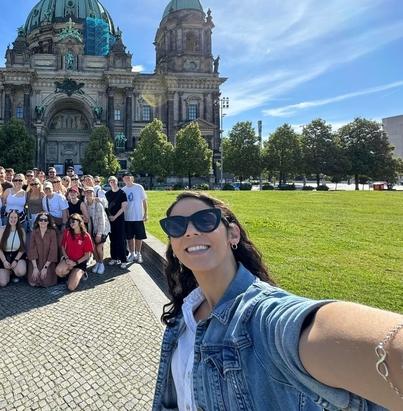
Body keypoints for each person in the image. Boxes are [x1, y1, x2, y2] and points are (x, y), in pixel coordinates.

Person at [152, 192, 402, 411]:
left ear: (233, 234)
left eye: (205, 221)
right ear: (173, 245)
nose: (190, 231)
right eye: (176, 226)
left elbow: (309, 329)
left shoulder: (263, 317)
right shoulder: (183, 316)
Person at [55, 213, 93, 292]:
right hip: (68, 260)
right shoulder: (67, 232)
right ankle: (70, 273)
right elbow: (63, 246)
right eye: (70, 222)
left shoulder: (86, 236)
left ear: (79, 222)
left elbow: (87, 255)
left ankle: (81, 274)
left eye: (74, 221)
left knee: (71, 287)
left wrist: (75, 263)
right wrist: (67, 258)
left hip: (79, 262)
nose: (71, 223)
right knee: (58, 271)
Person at [0, 209, 27, 287]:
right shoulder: (1, 229)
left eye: (15, 217)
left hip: (17, 255)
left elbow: (22, 248)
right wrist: (4, 261)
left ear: (18, 219)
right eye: (11, 217)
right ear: (8, 218)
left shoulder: (22, 231)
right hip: (4, 255)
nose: (13, 219)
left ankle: (14, 272)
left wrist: (16, 260)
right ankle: (8, 272)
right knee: (2, 283)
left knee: (21, 271)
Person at [27, 212, 58, 287]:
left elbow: (53, 250)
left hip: (48, 262)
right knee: (32, 283)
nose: (43, 222)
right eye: (41, 220)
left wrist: (45, 267)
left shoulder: (52, 233)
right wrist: (35, 267)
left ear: (48, 222)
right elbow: (32, 249)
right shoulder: (34, 232)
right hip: (36, 262)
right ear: (38, 221)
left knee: (46, 283)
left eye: (45, 220)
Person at [83, 187, 110, 274]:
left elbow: (102, 220)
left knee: (98, 247)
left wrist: (99, 234)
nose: (88, 194)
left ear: (93, 193)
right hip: (92, 229)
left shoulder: (97, 204)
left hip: (102, 228)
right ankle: (97, 262)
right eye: (86, 192)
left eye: (90, 192)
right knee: (92, 247)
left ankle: (101, 263)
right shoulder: (85, 204)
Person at [123, 172, 148, 264]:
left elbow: (144, 201)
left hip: (138, 216)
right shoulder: (123, 190)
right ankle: (132, 253)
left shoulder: (139, 187)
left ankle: (138, 253)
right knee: (130, 237)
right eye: (125, 178)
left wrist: (146, 214)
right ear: (123, 180)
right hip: (128, 217)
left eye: (128, 177)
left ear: (132, 178)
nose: (127, 179)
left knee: (139, 237)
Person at [106, 176, 128, 269]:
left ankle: (123, 260)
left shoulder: (122, 193)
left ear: (117, 182)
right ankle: (114, 258)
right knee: (112, 240)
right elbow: (106, 207)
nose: (112, 183)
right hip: (111, 219)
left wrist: (115, 216)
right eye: (110, 181)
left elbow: (123, 207)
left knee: (121, 240)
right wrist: (110, 216)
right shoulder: (108, 194)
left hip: (119, 219)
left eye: (114, 181)